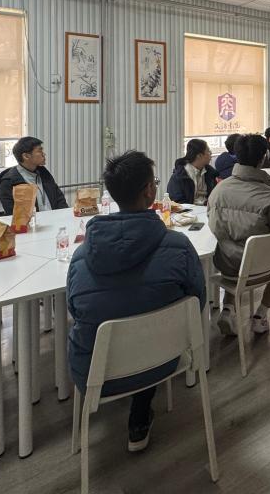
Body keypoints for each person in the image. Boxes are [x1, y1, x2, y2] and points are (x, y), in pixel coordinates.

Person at [67, 151, 205, 453]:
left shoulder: (80, 257)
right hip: (164, 359)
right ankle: (141, 410)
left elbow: (74, 311)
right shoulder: (179, 246)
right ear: (149, 191)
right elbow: (198, 302)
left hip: (96, 374)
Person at [208, 134, 270, 336]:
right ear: (264, 158)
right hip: (262, 268)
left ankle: (228, 308)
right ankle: (260, 314)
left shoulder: (219, 191)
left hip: (226, 264)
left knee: (233, 249)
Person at [0, 136, 68, 215]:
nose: (44, 154)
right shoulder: (8, 183)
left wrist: (63, 215)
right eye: (40, 151)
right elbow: (14, 215)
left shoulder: (43, 172)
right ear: (26, 156)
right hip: (34, 222)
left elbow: (59, 198)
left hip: (55, 219)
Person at [165, 138, 218, 205]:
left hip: (209, 209)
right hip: (188, 211)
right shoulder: (179, 176)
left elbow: (215, 195)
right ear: (199, 156)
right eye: (208, 152)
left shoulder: (210, 173)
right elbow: (176, 201)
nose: (211, 154)